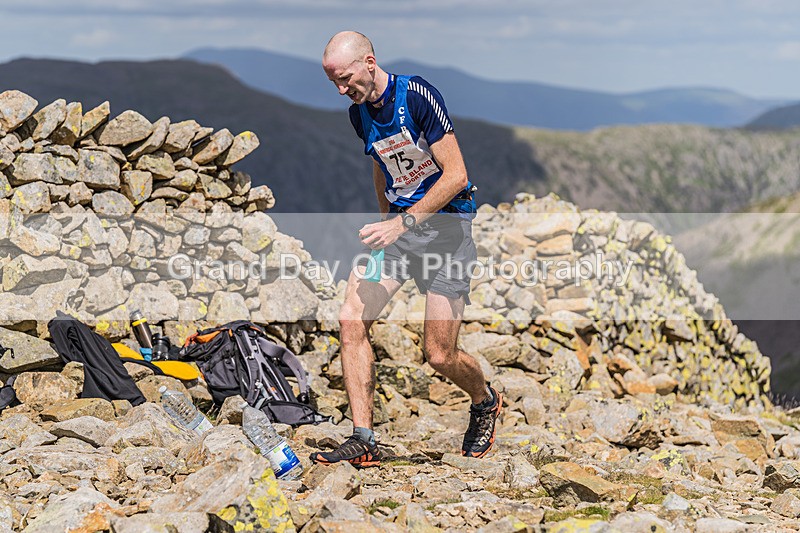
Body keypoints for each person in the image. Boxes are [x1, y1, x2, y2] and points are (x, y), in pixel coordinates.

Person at [311, 31, 502, 468]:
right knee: (351, 318)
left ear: (370, 62)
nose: (343, 91)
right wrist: (387, 222)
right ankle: (363, 438)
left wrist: (403, 221)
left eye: (346, 79)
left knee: (439, 355)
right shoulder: (358, 115)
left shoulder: (416, 95)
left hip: (447, 234)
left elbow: (456, 175)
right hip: (400, 236)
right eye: (334, 84)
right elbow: (381, 166)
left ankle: (484, 400)